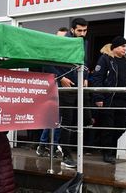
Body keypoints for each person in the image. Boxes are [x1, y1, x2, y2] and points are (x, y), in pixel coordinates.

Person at [52, 18, 90, 169]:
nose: (82, 34)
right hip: (66, 89)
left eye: (85, 31)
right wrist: (61, 78)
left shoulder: (83, 43)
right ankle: (66, 155)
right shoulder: (62, 42)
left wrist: (86, 77)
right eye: (79, 30)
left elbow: (84, 62)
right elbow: (49, 62)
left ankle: (70, 152)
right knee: (67, 122)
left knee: (79, 121)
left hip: (79, 88)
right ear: (72, 29)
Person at [92, 37, 126, 164]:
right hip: (109, 99)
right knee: (108, 128)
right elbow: (97, 78)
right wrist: (98, 97)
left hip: (123, 100)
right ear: (115, 47)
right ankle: (107, 153)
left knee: (121, 127)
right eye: (122, 46)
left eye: (125, 46)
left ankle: (104, 146)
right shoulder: (106, 59)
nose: (125, 48)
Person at [36, 27, 69, 158]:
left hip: (64, 92)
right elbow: (47, 67)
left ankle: (47, 146)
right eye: (59, 37)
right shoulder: (51, 50)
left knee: (57, 120)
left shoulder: (67, 52)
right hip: (51, 89)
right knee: (54, 119)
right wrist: (61, 78)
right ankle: (46, 145)